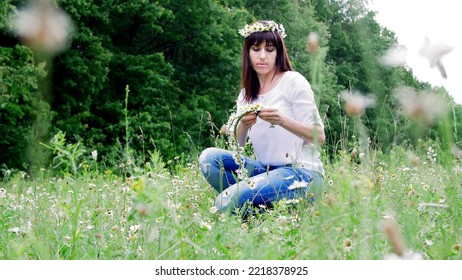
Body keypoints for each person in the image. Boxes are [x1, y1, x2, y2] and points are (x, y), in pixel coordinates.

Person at [199, 20, 325, 215]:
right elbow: (237, 148)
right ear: (248, 54)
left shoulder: (293, 81)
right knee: (210, 159)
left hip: (301, 172)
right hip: (265, 171)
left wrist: (282, 120)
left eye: (270, 49)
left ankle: (241, 205)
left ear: (278, 53)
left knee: (226, 201)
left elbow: (319, 137)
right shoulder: (246, 95)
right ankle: (260, 212)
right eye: (256, 49)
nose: (262, 56)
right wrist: (243, 125)